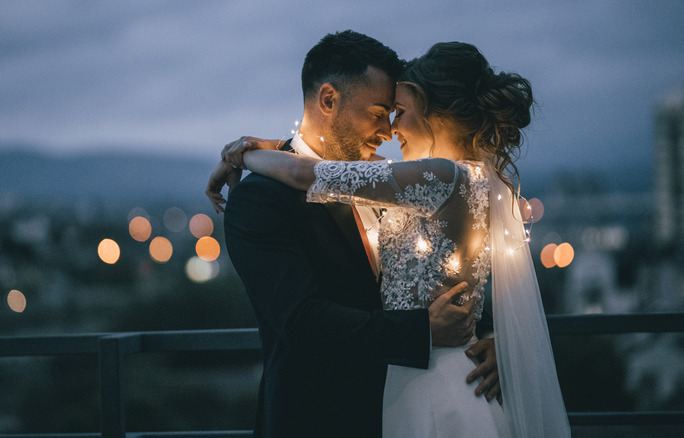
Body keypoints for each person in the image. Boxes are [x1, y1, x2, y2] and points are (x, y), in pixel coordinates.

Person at [211, 41, 571, 437]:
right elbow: (300, 322)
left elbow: (461, 279)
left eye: (396, 114)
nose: (387, 132)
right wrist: (421, 333)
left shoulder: (406, 180)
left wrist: (496, 343)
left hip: (429, 400)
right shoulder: (261, 199)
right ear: (328, 99)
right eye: (380, 114)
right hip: (323, 420)